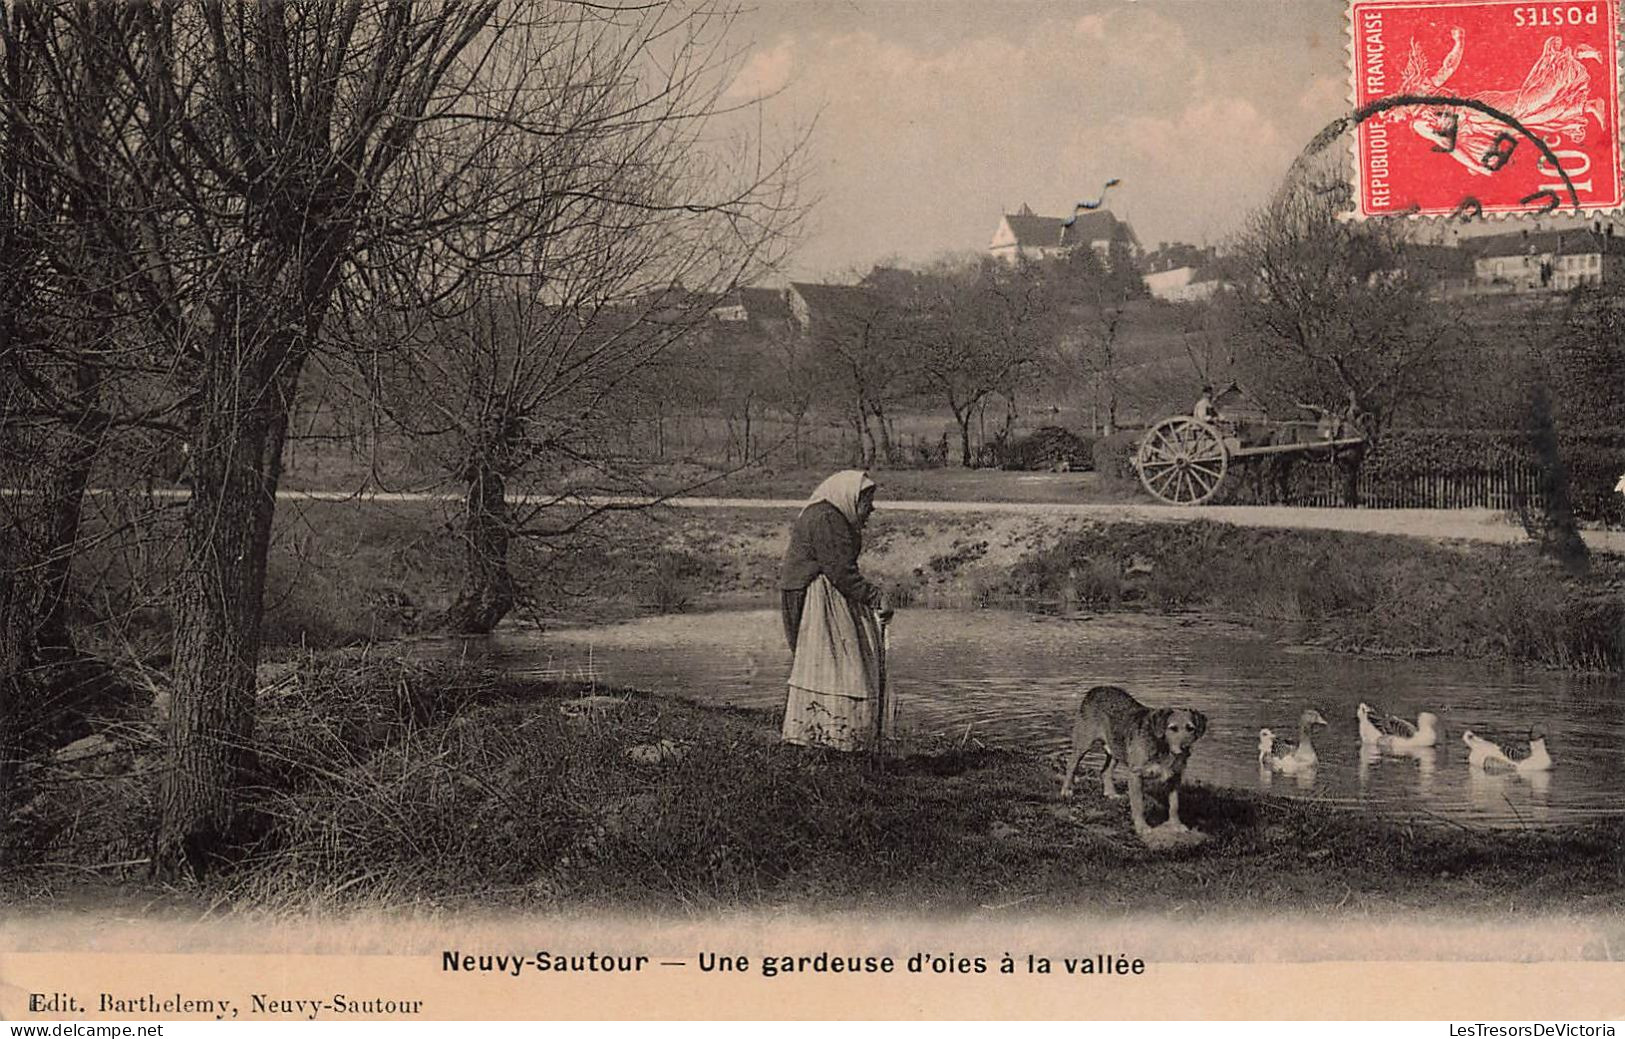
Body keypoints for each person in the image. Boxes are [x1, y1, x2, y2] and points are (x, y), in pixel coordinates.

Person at [778, 469, 893, 752]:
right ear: (850, 498)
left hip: (816, 592)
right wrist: (875, 596)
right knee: (842, 664)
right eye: (867, 502)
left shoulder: (831, 515)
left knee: (830, 664)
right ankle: (835, 738)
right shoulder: (828, 519)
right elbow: (841, 572)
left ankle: (824, 735)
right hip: (815, 597)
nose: (871, 509)